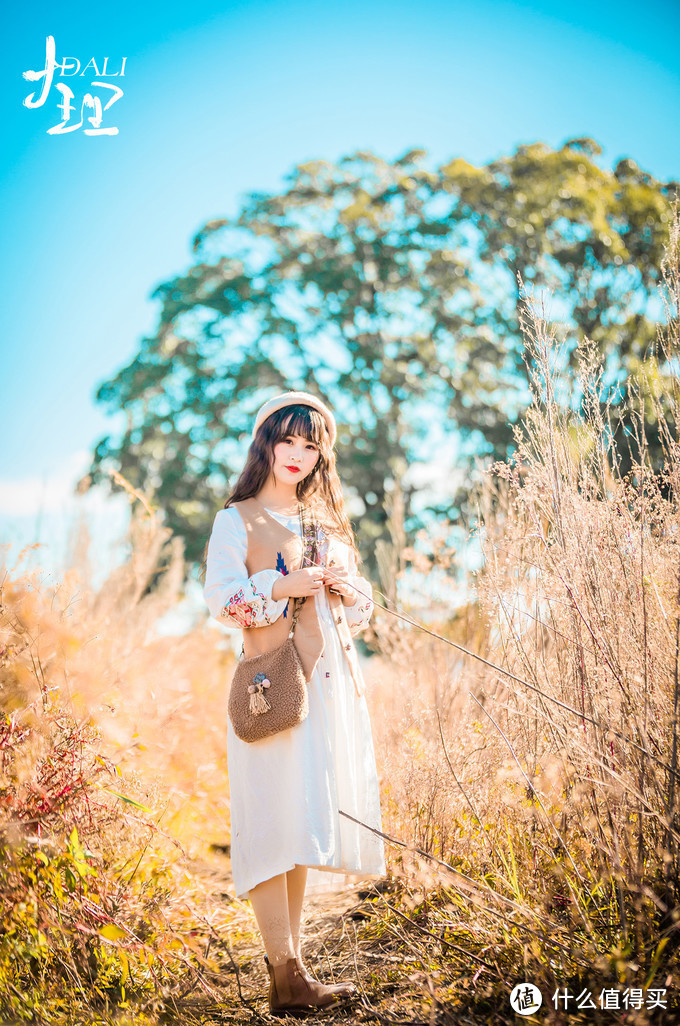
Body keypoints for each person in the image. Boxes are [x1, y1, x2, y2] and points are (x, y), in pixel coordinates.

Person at [203, 391, 385, 1016]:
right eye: (288, 441)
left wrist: (342, 585)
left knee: (300, 823)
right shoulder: (237, 519)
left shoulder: (326, 525)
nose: (299, 455)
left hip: (326, 687)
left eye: (311, 446)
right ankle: (284, 969)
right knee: (268, 823)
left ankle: (293, 976)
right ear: (266, 444)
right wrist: (282, 584)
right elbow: (222, 603)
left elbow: (360, 613)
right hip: (270, 691)